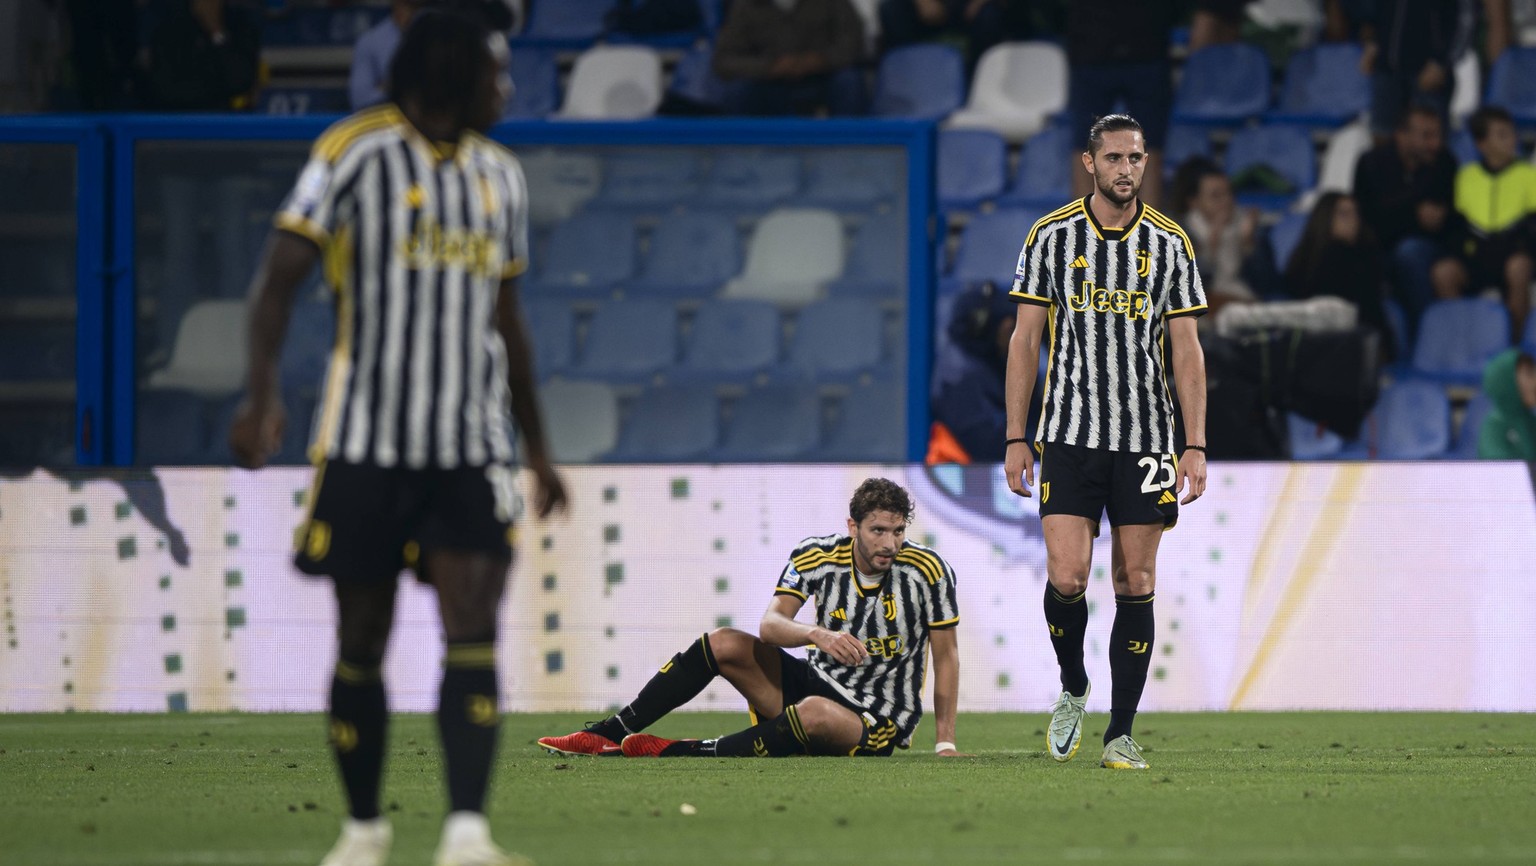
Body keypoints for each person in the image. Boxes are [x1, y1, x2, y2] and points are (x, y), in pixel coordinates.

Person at [228, 8, 567, 866]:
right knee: (362, 636)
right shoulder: (351, 153)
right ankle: (363, 828)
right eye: (495, 70)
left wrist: (537, 448)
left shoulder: (500, 177)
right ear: (451, 72)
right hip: (367, 441)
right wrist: (261, 393)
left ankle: (466, 831)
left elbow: (508, 322)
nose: (508, 86)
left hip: (471, 444)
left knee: (472, 624)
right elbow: (278, 281)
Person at [1003, 114, 1208, 771]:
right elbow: (1025, 340)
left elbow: (1187, 351)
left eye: (1136, 158)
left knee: (1136, 577)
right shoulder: (1052, 236)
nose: (1126, 169)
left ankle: (1120, 731)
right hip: (1067, 434)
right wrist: (1016, 435)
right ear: (1088, 163)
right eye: (1114, 157)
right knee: (1067, 576)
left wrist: (1194, 443)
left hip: (1146, 439)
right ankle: (1073, 685)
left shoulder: (1170, 244)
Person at [536, 478, 964, 760]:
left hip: (877, 719)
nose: (890, 543)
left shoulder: (928, 572)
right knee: (725, 641)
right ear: (853, 527)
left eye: (898, 531)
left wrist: (944, 741)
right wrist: (818, 635)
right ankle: (609, 732)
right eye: (878, 531)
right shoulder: (816, 555)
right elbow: (771, 625)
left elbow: (946, 658)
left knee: (814, 713)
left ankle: (677, 751)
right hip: (816, 682)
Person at [1352, 103, 1462, 337]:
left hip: (1428, 247)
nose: (1435, 143)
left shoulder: (1445, 163)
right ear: (1401, 136)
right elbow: (1369, 217)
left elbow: (1450, 219)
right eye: (1426, 136)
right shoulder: (1371, 164)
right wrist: (1413, 214)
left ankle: (1428, 334)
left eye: (1438, 135)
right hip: (1379, 245)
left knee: (1409, 252)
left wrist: (1431, 217)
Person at [1064, 2, 1175, 209]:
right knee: (1086, 146)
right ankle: (1084, 234)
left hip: (1143, 46)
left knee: (1148, 147)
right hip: (1095, 48)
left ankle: (1146, 236)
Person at [929, 281, 1036, 464]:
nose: (1015, 339)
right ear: (988, 327)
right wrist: (1050, 445)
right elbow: (986, 442)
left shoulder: (988, 365)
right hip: (966, 482)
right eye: (1011, 329)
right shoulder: (959, 375)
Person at [1454, 105, 1536, 341]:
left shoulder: (1528, 175)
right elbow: (1459, 224)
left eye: (1511, 133)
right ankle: (1463, 339)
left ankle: (1515, 346)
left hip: (1513, 251)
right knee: (1444, 273)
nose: (1512, 140)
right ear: (1481, 144)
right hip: (1476, 254)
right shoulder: (1466, 176)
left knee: (1518, 268)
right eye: (1501, 134)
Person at [1283, 191, 1394, 360]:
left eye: (1356, 212)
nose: (1353, 219)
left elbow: (1370, 311)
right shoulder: (1304, 261)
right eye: (1344, 213)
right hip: (1313, 343)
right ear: (1325, 218)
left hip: (1359, 342)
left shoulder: (1367, 257)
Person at [712, 0, 867, 117]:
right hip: (768, 84)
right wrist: (770, 67)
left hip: (821, 79)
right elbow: (725, 60)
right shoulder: (747, 5)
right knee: (738, 91)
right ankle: (740, 153)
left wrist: (820, 60)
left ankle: (849, 150)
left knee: (848, 81)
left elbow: (853, 43)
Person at [1174, 158, 1258, 322]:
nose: (1226, 201)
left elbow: (1265, 285)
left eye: (1229, 193)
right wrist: (1212, 246)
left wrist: (1248, 245)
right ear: (1194, 202)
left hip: (1244, 305)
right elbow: (1188, 288)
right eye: (1216, 196)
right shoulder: (1179, 232)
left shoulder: (1248, 226)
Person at [147, 0, 262, 111]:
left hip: (222, 120)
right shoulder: (170, 27)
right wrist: (217, 90)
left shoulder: (239, 25)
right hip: (178, 120)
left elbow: (241, 82)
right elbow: (166, 90)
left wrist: (216, 32)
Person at [349, 0, 425, 110]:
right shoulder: (371, 41)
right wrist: (395, 86)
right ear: (396, 4)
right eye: (409, 6)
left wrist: (385, 86)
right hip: (385, 118)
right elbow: (360, 100)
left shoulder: (437, 40)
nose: (416, 14)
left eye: (419, 8)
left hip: (429, 118)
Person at [1477, 348, 1536, 459]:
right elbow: (1498, 469)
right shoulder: (1494, 426)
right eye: (1529, 373)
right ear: (1506, 383)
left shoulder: (1532, 422)